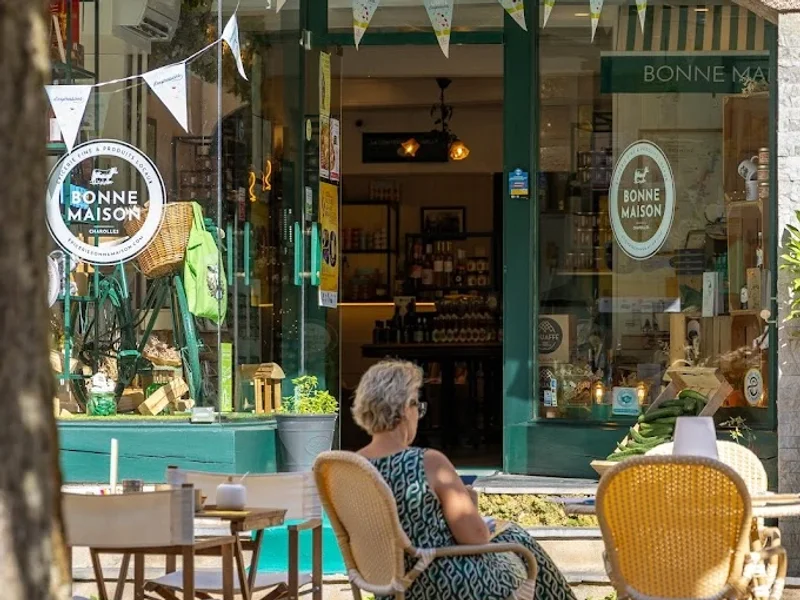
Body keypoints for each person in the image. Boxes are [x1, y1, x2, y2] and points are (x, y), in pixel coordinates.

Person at [352, 359, 577, 600]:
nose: (419, 414)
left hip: (389, 587)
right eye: (418, 406)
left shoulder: (351, 467)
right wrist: (470, 504)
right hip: (443, 581)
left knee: (512, 537)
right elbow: (475, 537)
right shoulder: (428, 462)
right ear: (406, 408)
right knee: (518, 541)